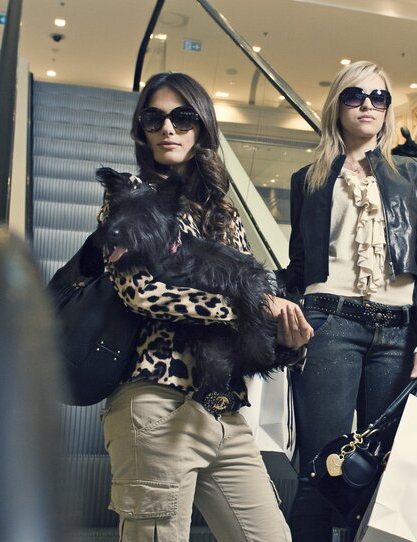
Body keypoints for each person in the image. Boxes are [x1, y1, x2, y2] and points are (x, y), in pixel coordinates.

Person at [99, 72, 312, 542]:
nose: (168, 129)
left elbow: (246, 317)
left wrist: (283, 337)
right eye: (154, 118)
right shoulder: (130, 196)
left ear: (202, 128)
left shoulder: (223, 212)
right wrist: (239, 308)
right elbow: (140, 292)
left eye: (183, 117)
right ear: (142, 128)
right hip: (156, 404)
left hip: (223, 410)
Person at [277, 61, 417, 541]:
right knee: (320, 466)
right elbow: (300, 264)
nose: (369, 104)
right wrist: (265, 297)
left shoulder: (414, 175)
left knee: (389, 476)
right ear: (338, 104)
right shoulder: (307, 178)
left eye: (379, 97)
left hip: (398, 332)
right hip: (328, 324)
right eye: (356, 95)